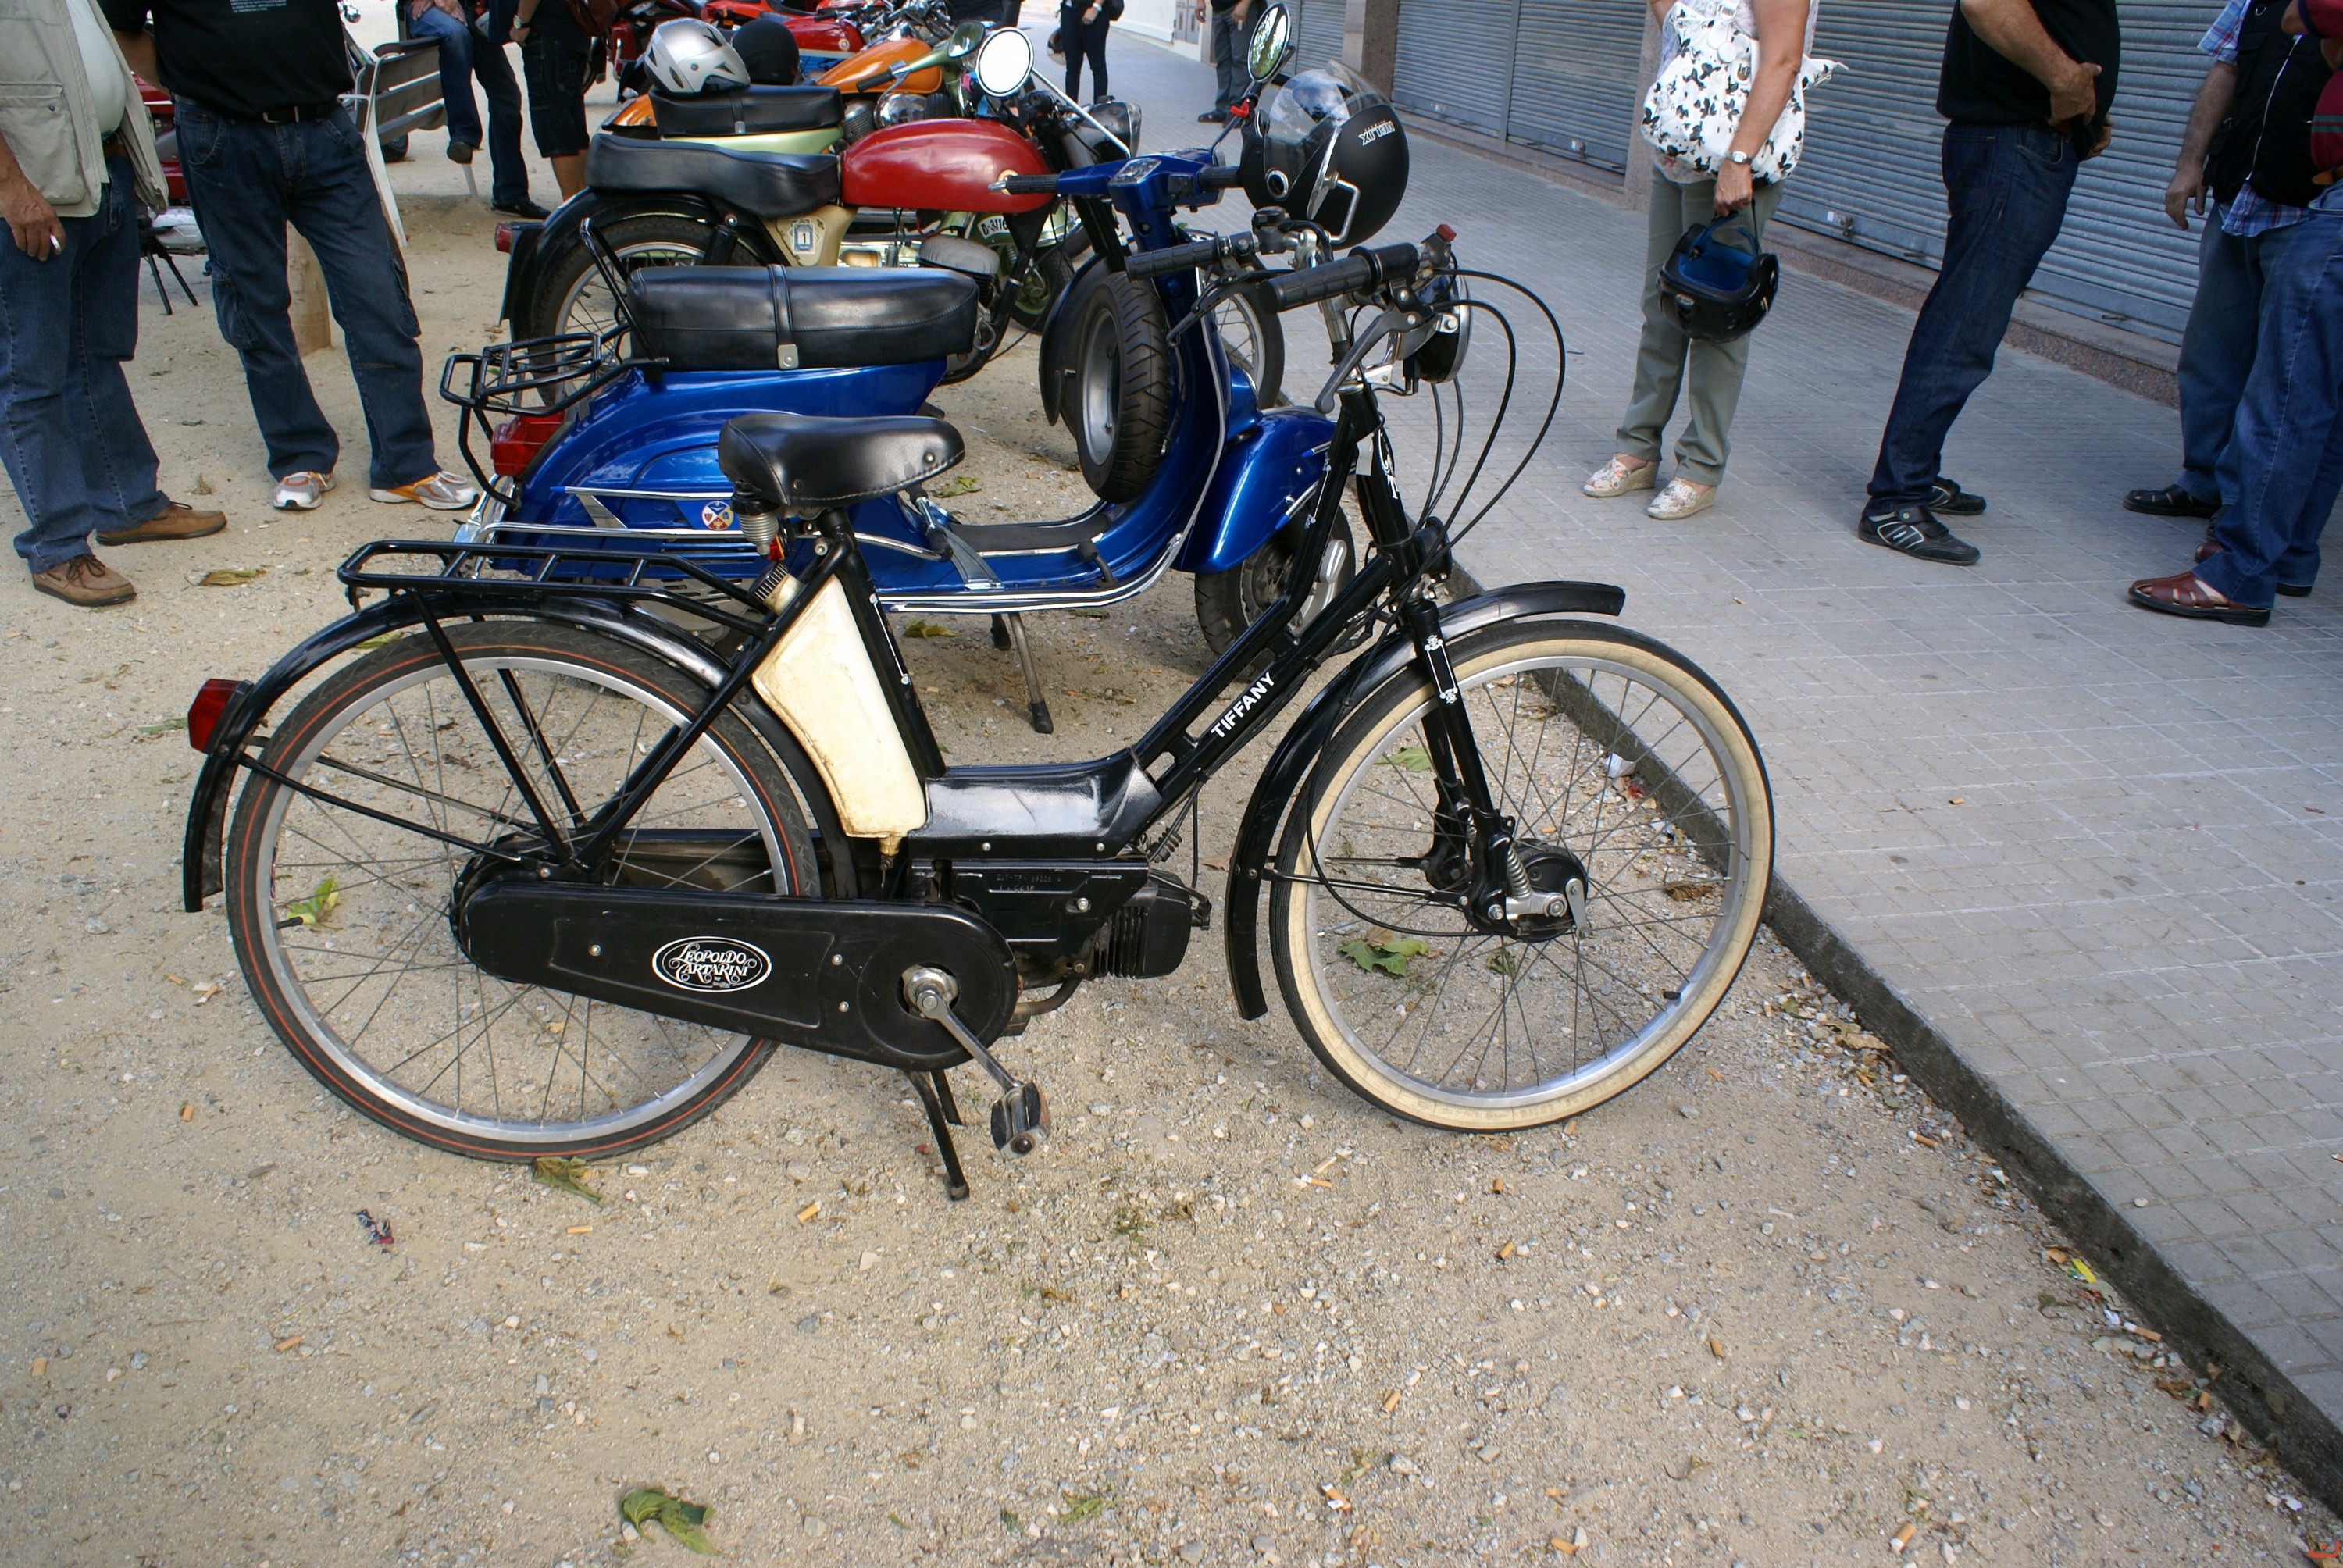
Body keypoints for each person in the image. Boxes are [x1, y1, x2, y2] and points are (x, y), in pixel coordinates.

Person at [106, 0, 479, 515]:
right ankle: (299, 454)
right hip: (223, 133)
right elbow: (119, 24)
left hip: (322, 124)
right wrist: (189, 81)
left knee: (377, 293)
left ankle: (406, 464)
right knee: (254, 303)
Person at [1855, 0, 2117, 564]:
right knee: (1965, 324)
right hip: (2014, 143)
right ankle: (1896, 501)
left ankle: (1914, 474)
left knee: (1967, 316)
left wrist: (2085, 118)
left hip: (2028, 142)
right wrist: (2068, 81)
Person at [0, 0, 226, 608]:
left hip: (97, 176)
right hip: (32, 195)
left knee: (95, 356)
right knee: (29, 377)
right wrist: (11, 190)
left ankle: (127, 505)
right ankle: (58, 548)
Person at [2129, 0, 2343, 622]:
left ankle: (2242, 568)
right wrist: (2191, 163)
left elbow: (2309, 17)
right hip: (2262, 191)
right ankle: (2286, 553)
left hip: (2312, 202)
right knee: (2301, 387)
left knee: (2288, 393)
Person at [1582, 0, 1818, 520]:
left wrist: (1739, 159)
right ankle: (1637, 448)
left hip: (1734, 157)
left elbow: (1783, 59)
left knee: (1716, 315)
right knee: (1662, 304)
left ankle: (1700, 467)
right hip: (1681, 145)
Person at [408, 0, 547, 219]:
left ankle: (510, 194)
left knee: (507, 96)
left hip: (469, 9)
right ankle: (464, 134)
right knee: (456, 35)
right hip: (431, 9)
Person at [513, 0, 596, 201]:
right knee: (572, 127)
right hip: (573, 33)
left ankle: (571, 204)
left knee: (556, 127)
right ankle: (581, 203)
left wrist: (521, 23)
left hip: (549, 35)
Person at [1202, 0, 1251, 123]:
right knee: (1223, 61)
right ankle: (1222, 110)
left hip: (1240, 8)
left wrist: (1245, 4)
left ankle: (1237, 111)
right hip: (1219, 10)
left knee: (1241, 62)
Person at [1059, 0, 1114, 102]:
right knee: (1072, 67)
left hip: (1094, 13)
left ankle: (1100, 109)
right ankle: (1071, 109)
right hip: (1069, 12)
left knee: (1098, 67)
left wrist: (1096, 7)